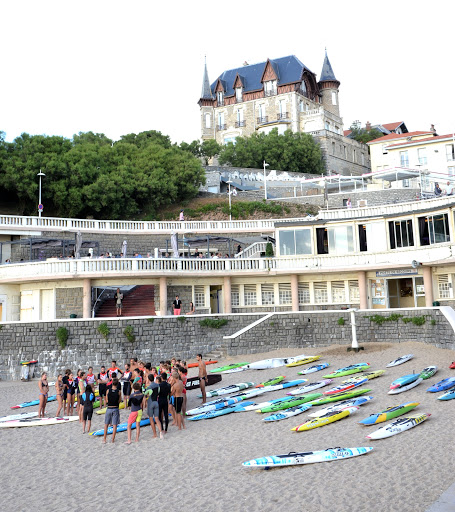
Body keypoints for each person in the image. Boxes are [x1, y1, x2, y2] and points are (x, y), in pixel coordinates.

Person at [144, 374, 164, 439]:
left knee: (151, 419)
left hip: (151, 403)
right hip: (156, 402)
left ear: (149, 379)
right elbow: (158, 392)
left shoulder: (149, 387)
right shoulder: (157, 385)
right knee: (157, 418)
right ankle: (161, 432)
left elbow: (145, 394)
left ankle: (155, 434)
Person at [103, 378, 122, 444]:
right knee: (114, 425)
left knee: (106, 424)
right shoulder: (119, 392)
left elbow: (107, 400)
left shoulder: (108, 390)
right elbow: (119, 401)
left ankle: (104, 439)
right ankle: (112, 440)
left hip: (109, 408)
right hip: (115, 408)